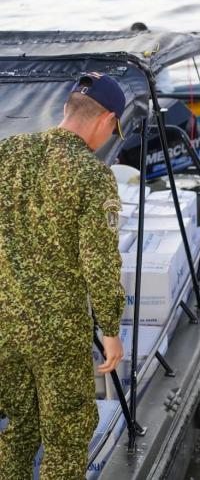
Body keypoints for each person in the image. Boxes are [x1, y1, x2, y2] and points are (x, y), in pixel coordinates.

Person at [0, 72, 126, 479]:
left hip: (4, 326)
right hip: (57, 335)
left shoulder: (8, 152)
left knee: (18, 431)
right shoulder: (92, 175)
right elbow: (100, 261)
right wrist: (110, 330)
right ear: (106, 120)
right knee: (66, 438)